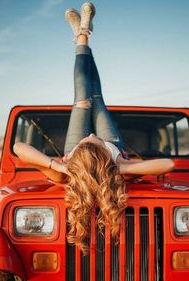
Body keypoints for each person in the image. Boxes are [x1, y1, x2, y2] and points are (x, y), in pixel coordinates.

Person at [13, 2, 174, 254]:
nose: (90, 134)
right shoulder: (116, 164)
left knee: (82, 95)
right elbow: (168, 165)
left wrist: (58, 164)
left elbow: (17, 147)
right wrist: (120, 165)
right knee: (97, 97)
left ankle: (82, 35)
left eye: (88, 139)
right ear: (102, 154)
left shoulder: (66, 173)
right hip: (113, 150)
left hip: (74, 154)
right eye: (93, 139)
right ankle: (83, 34)